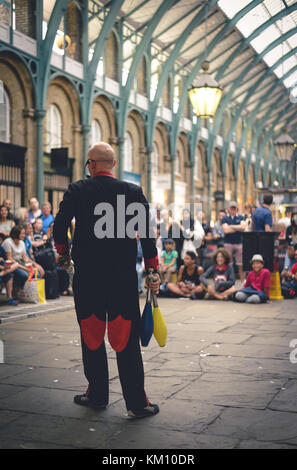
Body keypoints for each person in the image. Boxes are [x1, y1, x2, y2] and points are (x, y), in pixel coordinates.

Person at [53, 142, 160, 419]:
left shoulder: (77, 189)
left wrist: (64, 255)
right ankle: (137, 402)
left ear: (90, 164)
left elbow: (60, 226)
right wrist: (152, 270)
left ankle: (97, 393)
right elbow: (147, 234)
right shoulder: (132, 191)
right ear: (113, 165)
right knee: (125, 337)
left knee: (91, 334)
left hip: (88, 277)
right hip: (122, 277)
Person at [1, 226, 32, 297]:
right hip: (10, 264)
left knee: (34, 273)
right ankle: (14, 293)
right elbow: (10, 259)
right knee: (24, 275)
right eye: (22, 233)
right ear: (16, 233)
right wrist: (24, 268)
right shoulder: (8, 242)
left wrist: (33, 265)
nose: (24, 235)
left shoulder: (22, 243)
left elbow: (24, 257)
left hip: (19, 263)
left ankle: (16, 293)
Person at [222, 201, 246, 282]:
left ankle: (242, 281)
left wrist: (231, 226)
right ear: (228, 209)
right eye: (231, 208)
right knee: (229, 263)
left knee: (241, 263)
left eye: (234, 208)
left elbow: (243, 227)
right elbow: (226, 230)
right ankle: (230, 280)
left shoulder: (241, 217)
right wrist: (237, 228)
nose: (233, 210)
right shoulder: (224, 218)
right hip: (228, 243)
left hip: (239, 243)